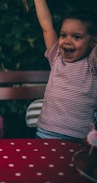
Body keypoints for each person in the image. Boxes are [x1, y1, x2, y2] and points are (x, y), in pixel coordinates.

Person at [34, 0, 97, 142]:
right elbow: (47, 26)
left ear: (93, 42)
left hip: (80, 138)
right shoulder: (56, 57)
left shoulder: (92, 64)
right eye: (63, 35)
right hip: (45, 133)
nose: (67, 41)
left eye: (77, 37)